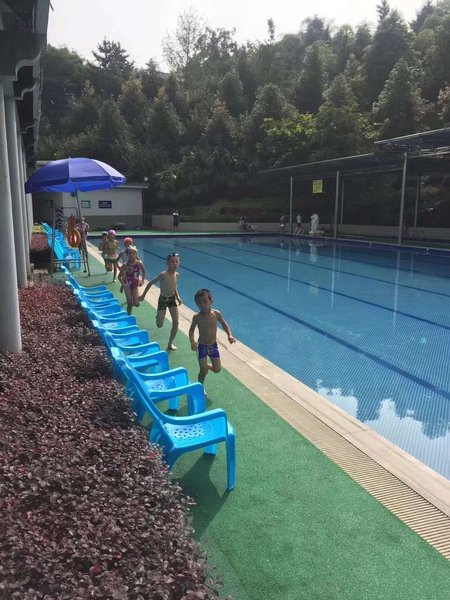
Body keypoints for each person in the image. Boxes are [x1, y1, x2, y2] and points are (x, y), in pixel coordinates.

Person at [189, 288, 235, 385]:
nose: (202, 305)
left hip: (212, 346)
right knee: (203, 371)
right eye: (199, 303)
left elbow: (224, 324)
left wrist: (229, 335)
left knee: (217, 369)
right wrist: (192, 341)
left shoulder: (216, 314)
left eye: (205, 302)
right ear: (196, 304)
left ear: (211, 302)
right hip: (201, 346)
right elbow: (191, 330)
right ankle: (200, 386)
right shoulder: (196, 317)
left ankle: (206, 366)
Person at [139, 252, 182, 351]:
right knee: (159, 325)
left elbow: (174, 287)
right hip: (163, 300)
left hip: (172, 300)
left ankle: (170, 343)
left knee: (176, 322)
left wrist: (178, 297)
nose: (174, 263)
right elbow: (150, 283)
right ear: (167, 263)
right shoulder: (163, 275)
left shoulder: (176, 275)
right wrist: (143, 296)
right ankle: (158, 317)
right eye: (172, 262)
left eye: (176, 262)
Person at [118, 246, 145, 315]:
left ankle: (136, 300)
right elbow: (119, 277)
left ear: (136, 254)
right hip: (127, 284)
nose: (131, 255)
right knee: (129, 303)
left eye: (133, 253)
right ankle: (129, 315)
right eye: (129, 253)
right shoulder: (125, 265)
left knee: (136, 304)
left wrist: (142, 280)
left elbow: (144, 272)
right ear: (127, 255)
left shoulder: (139, 263)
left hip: (135, 284)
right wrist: (123, 284)